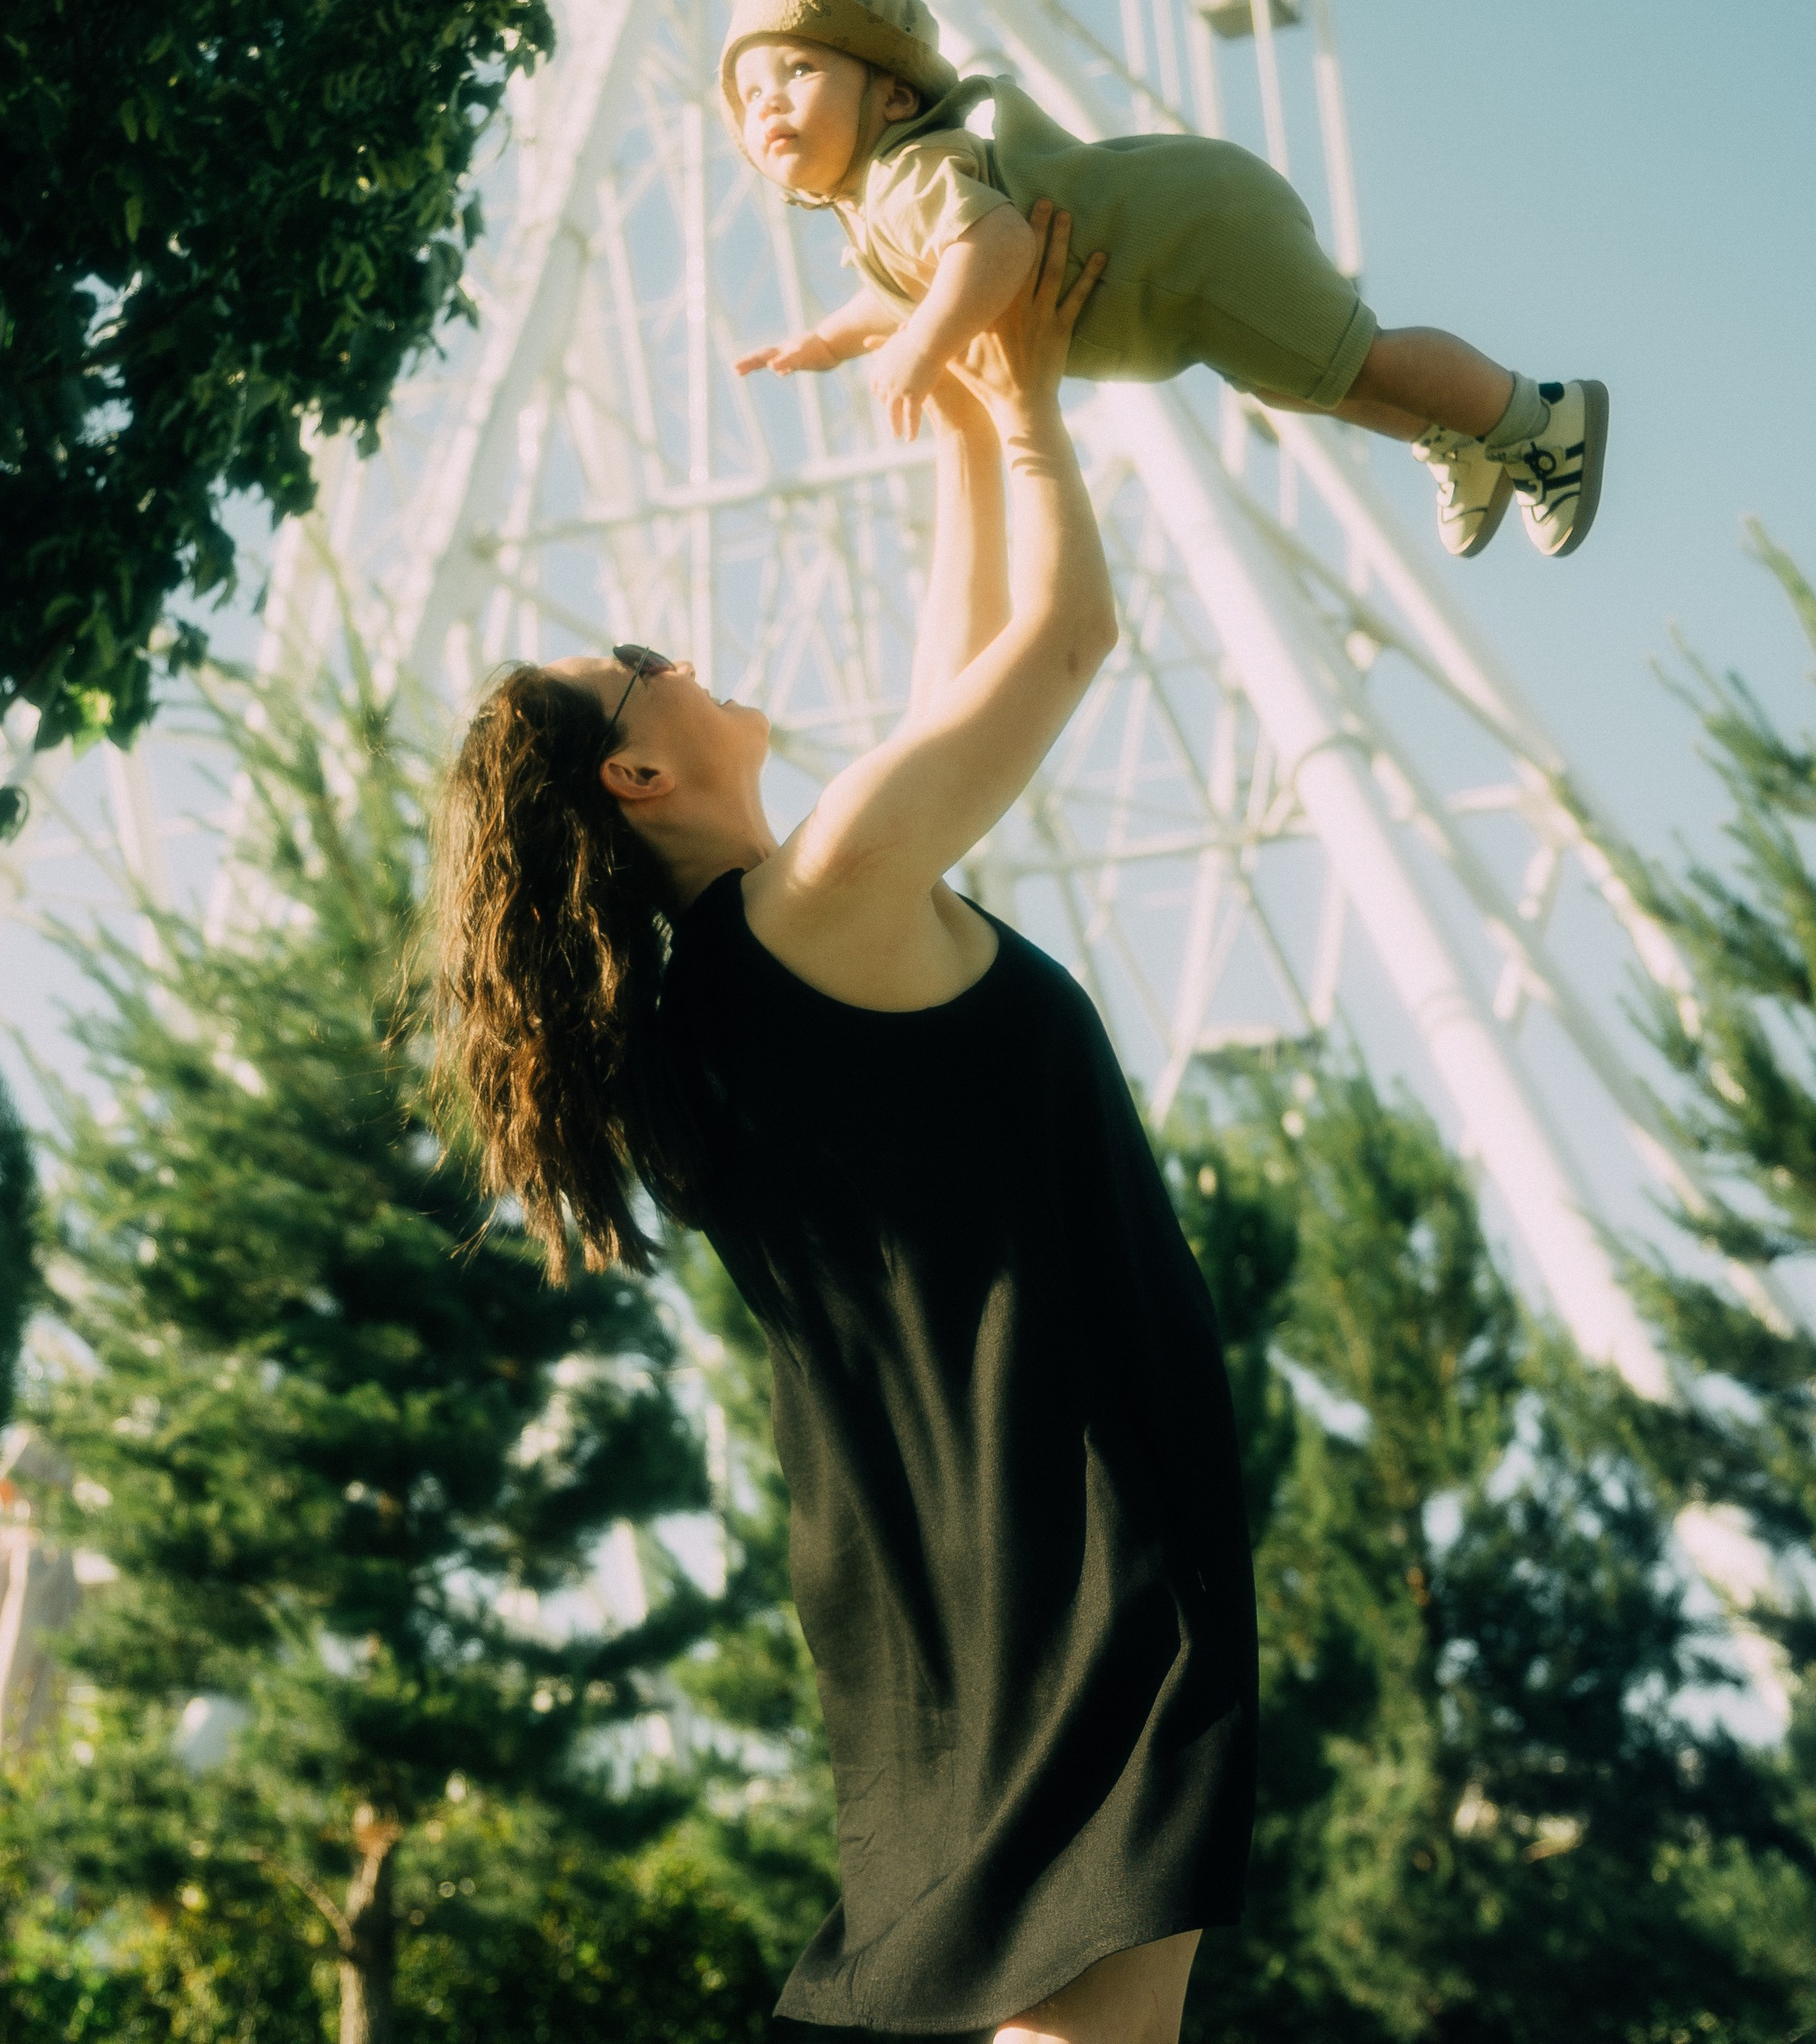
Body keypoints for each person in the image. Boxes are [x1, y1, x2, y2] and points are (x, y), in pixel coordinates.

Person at [429, 207, 1256, 2044]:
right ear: (637, 771)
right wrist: (1028, 397)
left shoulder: (711, 998)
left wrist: (957, 385)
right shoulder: (816, 905)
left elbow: (954, 674)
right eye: (646, 657)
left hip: (935, 1578)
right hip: (1076, 1529)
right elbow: (1053, 641)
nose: (686, 652)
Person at [725, 0, 1608, 563]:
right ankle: (1459, 436)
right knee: (1302, 381)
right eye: (751, 92)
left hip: (1197, 236)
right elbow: (903, 291)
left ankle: (1540, 418)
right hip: (1181, 263)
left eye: (798, 70)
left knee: (1358, 356)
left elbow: (993, 249)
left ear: (894, 93)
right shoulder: (880, 214)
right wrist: (827, 340)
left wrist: (922, 347)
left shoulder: (910, 171)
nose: (769, 103)